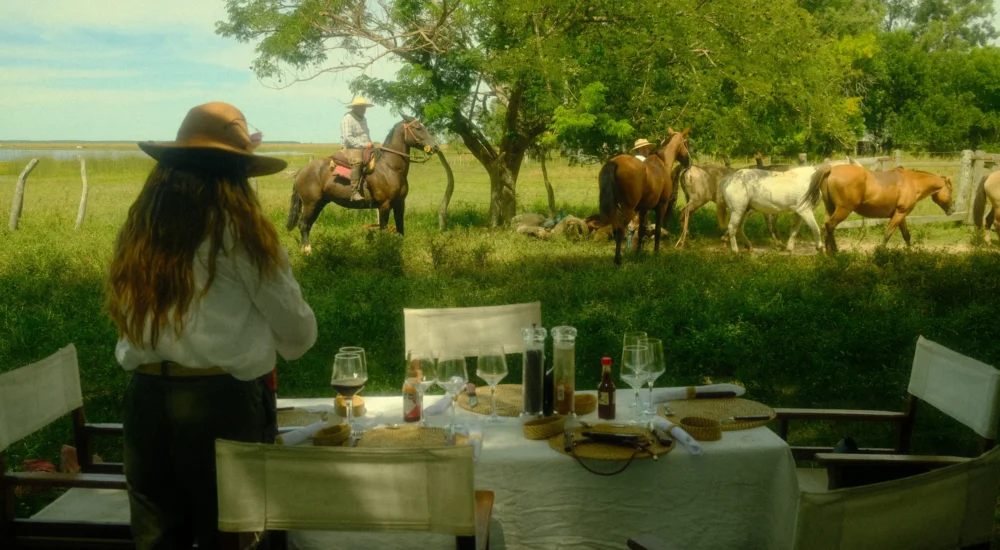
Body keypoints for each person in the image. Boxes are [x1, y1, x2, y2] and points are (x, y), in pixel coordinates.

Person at [107, 101, 318, 549]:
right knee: (234, 538)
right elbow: (298, 335)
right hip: (221, 407)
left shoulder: (139, 232)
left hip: (145, 403)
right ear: (236, 177)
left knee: (157, 541)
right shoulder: (240, 233)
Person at [341, 96, 375, 200]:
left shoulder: (364, 119)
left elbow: (366, 134)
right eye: (361, 107)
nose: (364, 109)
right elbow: (348, 138)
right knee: (358, 161)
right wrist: (364, 145)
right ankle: (354, 191)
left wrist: (370, 144)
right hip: (350, 148)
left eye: (364, 107)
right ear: (355, 108)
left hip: (364, 147)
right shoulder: (347, 118)